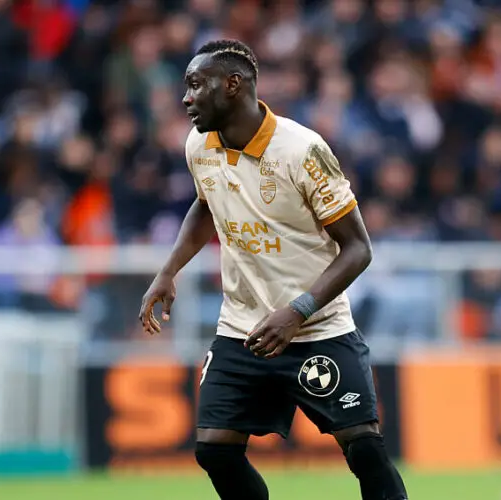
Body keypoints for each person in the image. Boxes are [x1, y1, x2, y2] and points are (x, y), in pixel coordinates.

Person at [138, 40, 408, 500]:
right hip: (244, 326)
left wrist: (298, 311)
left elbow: (358, 249)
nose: (185, 98)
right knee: (214, 451)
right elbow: (206, 203)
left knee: (363, 449)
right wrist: (168, 271)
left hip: (317, 326)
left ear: (233, 85)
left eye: (195, 85)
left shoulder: (303, 150)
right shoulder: (198, 144)